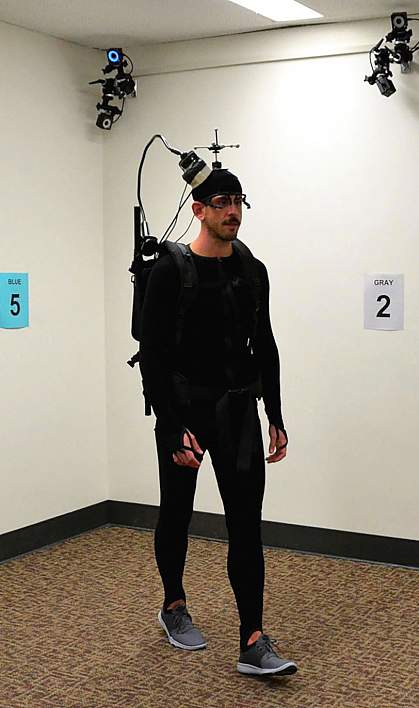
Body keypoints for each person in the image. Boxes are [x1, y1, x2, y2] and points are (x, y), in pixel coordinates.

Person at [139, 168, 297, 677]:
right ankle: (173, 605)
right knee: (177, 513)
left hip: (238, 412)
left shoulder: (252, 270)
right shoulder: (168, 270)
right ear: (198, 209)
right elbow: (153, 356)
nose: (232, 210)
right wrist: (171, 423)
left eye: (238, 200)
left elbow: (265, 344)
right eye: (221, 201)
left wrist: (274, 413)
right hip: (184, 413)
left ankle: (252, 640)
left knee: (246, 525)